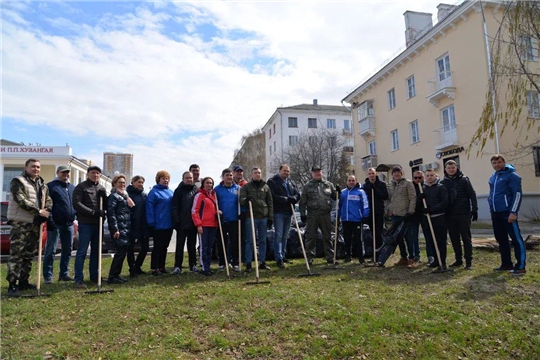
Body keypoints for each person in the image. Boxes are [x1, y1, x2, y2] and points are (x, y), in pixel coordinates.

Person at [6, 158, 52, 297]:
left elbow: (48, 199)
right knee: (17, 254)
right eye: (33, 167)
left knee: (29, 254)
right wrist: (38, 211)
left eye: (38, 167)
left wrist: (47, 211)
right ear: (25, 168)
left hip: (35, 223)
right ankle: (12, 285)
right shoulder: (18, 181)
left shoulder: (42, 185)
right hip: (21, 222)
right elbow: (21, 200)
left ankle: (23, 281)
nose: (36, 169)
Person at [488, 154, 526, 275]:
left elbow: (517, 194)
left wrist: (513, 212)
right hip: (496, 212)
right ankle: (506, 264)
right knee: (501, 239)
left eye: (499, 162)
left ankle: (520, 266)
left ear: (504, 162)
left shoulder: (512, 176)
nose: (497, 165)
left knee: (516, 239)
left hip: (507, 212)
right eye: (494, 163)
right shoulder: (494, 176)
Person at [72, 165, 108, 289]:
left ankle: (94, 276)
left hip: (98, 224)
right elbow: (77, 204)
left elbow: (106, 207)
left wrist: (106, 199)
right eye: (93, 173)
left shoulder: (101, 188)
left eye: (98, 173)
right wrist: (93, 212)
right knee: (82, 251)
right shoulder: (81, 187)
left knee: (96, 251)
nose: (95, 175)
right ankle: (79, 279)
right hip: (86, 223)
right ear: (88, 174)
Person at [440, 160, 478, 270]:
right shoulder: (443, 183)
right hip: (450, 215)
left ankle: (469, 261)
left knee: (466, 238)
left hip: (464, 213)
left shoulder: (464, 180)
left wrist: (474, 209)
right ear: (446, 169)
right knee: (454, 238)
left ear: (456, 168)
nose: (451, 170)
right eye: (449, 168)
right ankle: (458, 259)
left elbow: (472, 194)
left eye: (453, 168)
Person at [299, 166, 339, 265]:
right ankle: (309, 258)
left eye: (319, 172)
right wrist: (303, 214)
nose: (317, 173)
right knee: (310, 237)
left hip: (325, 215)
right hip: (312, 215)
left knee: (328, 236)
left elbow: (334, 197)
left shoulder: (328, 185)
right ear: (312, 173)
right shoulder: (307, 186)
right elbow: (302, 201)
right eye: (315, 172)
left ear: (322, 172)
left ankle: (330, 257)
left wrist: (338, 191)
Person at [42, 165, 76, 284]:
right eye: (63, 173)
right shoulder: (51, 186)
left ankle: (64, 274)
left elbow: (74, 204)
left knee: (67, 249)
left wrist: (74, 216)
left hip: (69, 223)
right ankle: (48, 276)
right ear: (58, 173)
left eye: (67, 173)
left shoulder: (72, 187)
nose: (66, 175)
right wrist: (50, 219)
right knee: (51, 249)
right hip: (55, 223)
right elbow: (47, 204)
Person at [240, 167, 274, 272]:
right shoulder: (246, 187)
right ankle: (249, 263)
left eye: (259, 173)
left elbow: (270, 202)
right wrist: (246, 199)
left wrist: (270, 217)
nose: (257, 174)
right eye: (255, 173)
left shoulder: (266, 187)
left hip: (263, 217)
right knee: (250, 241)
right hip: (251, 217)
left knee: (263, 240)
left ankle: (262, 262)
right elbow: (241, 200)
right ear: (252, 175)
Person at [267, 164, 300, 268]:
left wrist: (294, 198)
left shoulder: (290, 182)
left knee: (285, 236)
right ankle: (278, 258)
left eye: (288, 171)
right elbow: (272, 196)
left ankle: (283, 255)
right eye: (284, 171)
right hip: (278, 212)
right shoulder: (272, 181)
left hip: (289, 212)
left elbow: (297, 193)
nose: (286, 173)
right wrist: (286, 199)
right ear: (279, 170)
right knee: (279, 235)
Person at [418, 169, 449, 271]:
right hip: (427, 219)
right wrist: (420, 199)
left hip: (439, 218)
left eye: (432, 175)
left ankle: (442, 262)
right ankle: (436, 260)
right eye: (427, 175)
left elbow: (444, 202)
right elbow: (420, 205)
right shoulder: (423, 188)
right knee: (431, 241)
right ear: (425, 177)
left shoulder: (441, 187)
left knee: (440, 241)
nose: (430, 177)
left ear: (435, 176)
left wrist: (432, 209)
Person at [107, 174, 135, 284]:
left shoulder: (125, 196)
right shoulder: (113, 196)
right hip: (119, 228)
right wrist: (115, 229)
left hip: (126, 228)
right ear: (114, 184)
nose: (122, 184)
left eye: (124, 182)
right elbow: (111, 214)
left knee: (122, 253)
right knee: (119, 253)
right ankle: (112, 276)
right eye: (120, 182)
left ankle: (116, 275)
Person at [386, 165, 416, 267]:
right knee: (398, 238)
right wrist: (389, 209)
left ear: (401, 173)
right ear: (392, 174)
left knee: (408, 237)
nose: (396, 174)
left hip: (405, 215)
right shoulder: (390, 185)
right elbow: (388, 199)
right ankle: (403, 257)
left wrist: (410, 212)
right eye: (394, 172)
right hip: (395, 215)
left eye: (398, 172)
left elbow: (412, 198)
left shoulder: (407, 183)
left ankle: (411, 258)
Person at [146, 170, 174, 276]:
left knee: (164, 247)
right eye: (163, 178)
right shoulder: (154, 192)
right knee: (157, 247)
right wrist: (151, 222)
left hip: (169, 224)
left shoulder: (171, 192)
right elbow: (149, 208)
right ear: (158, 180)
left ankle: (162, 267)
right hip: (158, 225)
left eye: (167, 179)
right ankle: (154, 268)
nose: (165, 180)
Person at [171, 171, 199, 274]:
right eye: (187, 178)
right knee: (179, 246)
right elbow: (174, 207)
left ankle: (193, 265)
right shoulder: (178, 191)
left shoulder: (196, 190)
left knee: (192, 246)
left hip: (192, 223)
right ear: (183, 179)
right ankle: (178, 266)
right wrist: (177, 221)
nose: (189, 180)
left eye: (190, 178)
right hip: (181, 223)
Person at [214, 168, 241, 272]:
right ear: (223, 177)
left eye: (230, 175)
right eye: (227, 175)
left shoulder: (238, 188)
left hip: (234, 219)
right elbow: (214, 203)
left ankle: (235, 262)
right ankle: (223, 262)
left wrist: (241, 213)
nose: (229, 177)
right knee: (221, 242)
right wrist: (216, 212)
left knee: (235, 242)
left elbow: (241, 202)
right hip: (222, 220)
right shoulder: (217, 189)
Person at [338, 175, 370, 263]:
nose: (351, 182)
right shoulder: (342, 192)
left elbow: (365, 204)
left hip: (357, 219)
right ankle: (348, 256)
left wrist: (365, 215)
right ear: (346, 182)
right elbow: (339, 206)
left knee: (358, 239)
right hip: (346, 220)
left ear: (356, 181)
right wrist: (337, 216)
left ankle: (361, 257)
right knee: (347, 239)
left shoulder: (360, 192)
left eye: (353, 180)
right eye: (349, 180)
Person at [191, 177, 219, 276]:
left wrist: (217, 212)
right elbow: (195, 211)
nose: (209, 185)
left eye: (211, 183)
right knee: (204, 247)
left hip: (213, 224)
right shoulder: (199, 195)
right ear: (203, 184)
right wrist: (198, 225)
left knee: (210, 247)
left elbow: (213, 209)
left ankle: (208, 265)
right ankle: (204, 267)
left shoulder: (213, 195)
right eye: (207, 183)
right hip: (203, 225)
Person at [126, 175, 150, 276]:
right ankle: (132, 269)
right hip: (132, 224)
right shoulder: (127, 194)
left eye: (142, 182)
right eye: (139, 182)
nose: (141, 184)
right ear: (133, 182)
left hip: (143, 225)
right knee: (130, 249)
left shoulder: (144, 195)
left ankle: (137, 266)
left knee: (145, 247)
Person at [362, 167, 389, 252]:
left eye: (373, 173)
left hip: (379, 211)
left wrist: (375, 189)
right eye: (369, 174)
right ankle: (373, 251)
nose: (371, 175)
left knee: (379, 232)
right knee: (372, 232)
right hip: (369, 212)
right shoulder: (365, 186)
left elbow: (385, 196)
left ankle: (380, 251)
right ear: (367, 175)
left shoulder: (382, 184)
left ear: (376, 174)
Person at [408, 170, 427, 268]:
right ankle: (416, 255)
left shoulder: (426, 186)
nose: (418, 179)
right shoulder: (410, 187)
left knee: (428, 235)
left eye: (420, 177)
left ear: (423, 178)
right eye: (416, 178)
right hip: (414, 214)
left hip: (424, 214)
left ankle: (431, 255)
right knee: (414, 235)